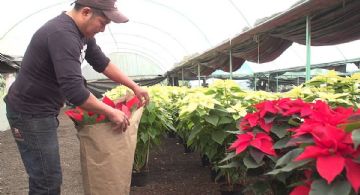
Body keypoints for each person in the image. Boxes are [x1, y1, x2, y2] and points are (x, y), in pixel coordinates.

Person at [4, 0, 150, 194]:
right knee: (46, 181)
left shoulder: (82, 34)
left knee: (47, 177)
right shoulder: (62, 34)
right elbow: (75, 92)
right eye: (103, 23)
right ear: (86, 12)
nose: (104, 29)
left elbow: (102, 63)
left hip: (42, 110)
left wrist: (134, 86)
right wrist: (111, 112)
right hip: (29, 112)